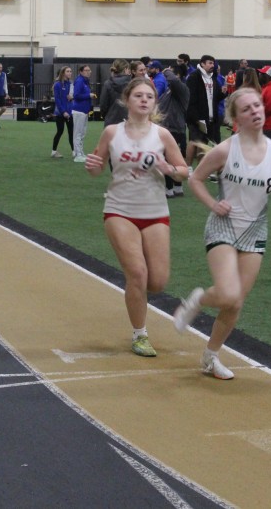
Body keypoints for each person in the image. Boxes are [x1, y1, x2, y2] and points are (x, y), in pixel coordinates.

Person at [174, 88, 271, 379]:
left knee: (236, 301)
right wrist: (213, 204)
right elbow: (195, 180)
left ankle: (211, 356)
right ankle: (197, 300)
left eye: (257, 105)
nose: (255, 111)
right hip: (224, 226)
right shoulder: (225, 150)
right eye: (246, 109)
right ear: (235, 119)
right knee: (228, 293)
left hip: (255, 231)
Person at [84, 77, 189, 357]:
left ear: (155, 103)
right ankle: (140, 334)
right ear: (126, 100)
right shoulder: (111, 132)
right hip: (119, 210)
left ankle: (137, 292)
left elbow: (183, 171)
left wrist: (168, 169)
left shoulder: (162, 135)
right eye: (138, 95)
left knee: (157, 282)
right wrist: (92, 165)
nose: (144, 100)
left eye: (149, 96)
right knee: (137, 273)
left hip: (155, 212)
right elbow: (96, 168)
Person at [185, 55, 225, 167]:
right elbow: (190, 99)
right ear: (202, 64)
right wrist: (195, 118)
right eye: (210, 63)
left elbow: (215, 97)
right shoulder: (194, 77)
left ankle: (200, 168)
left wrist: (223, 93)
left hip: (209, 117)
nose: (212, 65)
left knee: (204, 143)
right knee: (194, 141)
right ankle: (188, 167)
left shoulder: (213, 77)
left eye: (213, 63)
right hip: (196, 117)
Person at [158, 62, 190, 198]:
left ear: (177, 75)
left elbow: (173, 80)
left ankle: (170, 189)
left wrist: (166, 71)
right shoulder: (170, 90)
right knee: (172, 159)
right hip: (169, 127)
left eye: (172, 73)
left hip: (175, 129)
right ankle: (176, 188)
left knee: (171, 159)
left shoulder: (182, 88)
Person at [50, 65, 74, 158]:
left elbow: (71, 97)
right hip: (60, 113)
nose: (70, 73)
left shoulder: (70, 84)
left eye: (70, 71)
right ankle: (53, 152)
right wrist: (63, 112)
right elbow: (57, 100)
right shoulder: (58, 85)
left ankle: (74, 151)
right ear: (63, 73)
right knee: (60, 131)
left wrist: (72, 97)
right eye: (68, 71)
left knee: (71, 132)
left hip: (69, 112)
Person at [100, 58, 131, 127]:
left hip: (111, 121)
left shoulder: (107, 84)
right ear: (126, 69)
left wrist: (107, 115)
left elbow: (103, 105)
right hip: (128, 120)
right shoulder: (132, 84)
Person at [71, 64, 93, 162]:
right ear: (81, 72)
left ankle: (80, 152)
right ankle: (78, 155)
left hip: (84, 111)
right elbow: (76, 95)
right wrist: (88, 95)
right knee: (78, 133)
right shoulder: (79, 81)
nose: (89, 72)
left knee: (82, 133)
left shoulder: (85, 81)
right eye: (86, 70)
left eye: (89, 70)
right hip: (79, 110)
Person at [257, 66, 271, 141]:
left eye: (262, 74)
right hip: (264, 123)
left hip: (268, 124)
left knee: (267, 146)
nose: (259, 75)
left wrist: (256, 114)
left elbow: (269, 109)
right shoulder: (266, 87)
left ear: (267, 76)